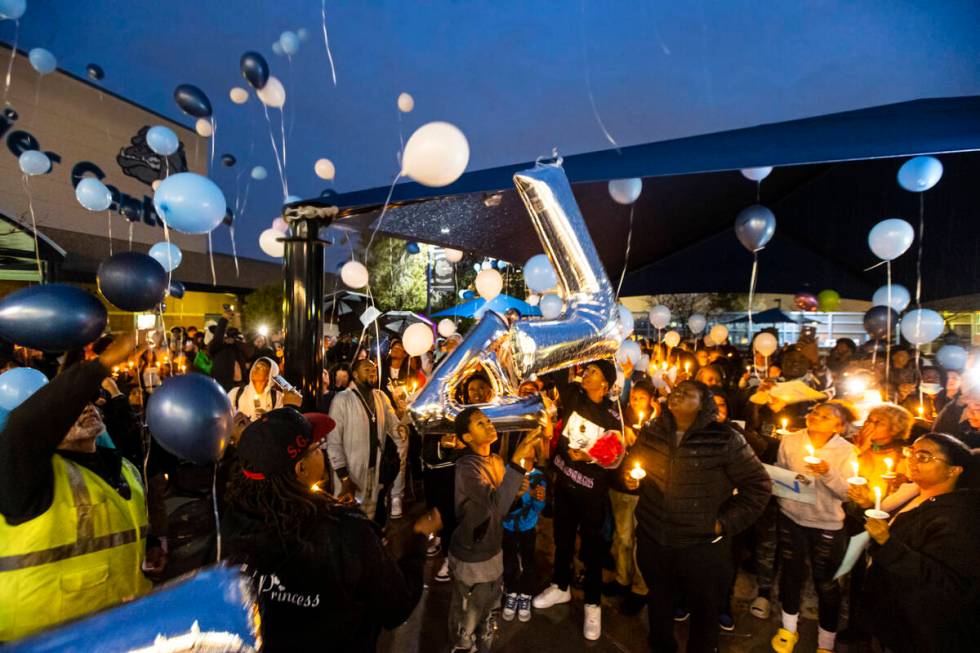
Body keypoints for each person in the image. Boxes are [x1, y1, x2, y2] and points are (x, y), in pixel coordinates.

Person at [222, 407, 442, 652]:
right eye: (318, 447)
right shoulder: (345, 531)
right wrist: (418, 539)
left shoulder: (229, 520)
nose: (323, 452)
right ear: (301, 469)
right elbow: (396, 607)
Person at [0, 334, 154, 642]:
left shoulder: (125, 469)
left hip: (120, 635)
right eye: (66, 407)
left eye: (87, 399)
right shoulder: (25, 480)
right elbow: (25, 428)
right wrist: (99, 366)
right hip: (41, 642)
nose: (82, 406)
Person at [627, 380, 771, 653]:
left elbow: (759, 487)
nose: (677, 393)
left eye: (687, 392)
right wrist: (631, 479)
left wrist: (723, 523)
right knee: (659, 600)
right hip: (654, 538)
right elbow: (634, 463)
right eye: (676, 389)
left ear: (703, 403)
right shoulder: (652, 431)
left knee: (704, 609)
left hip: (701, 546)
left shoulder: (725, 438)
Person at [532, 360, 625, 641]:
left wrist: (590, 457)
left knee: (593, 549)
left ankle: (592, 605)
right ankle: (561, 586)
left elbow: (617, 456)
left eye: (594, 372)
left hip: (592, 493)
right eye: (587, 370)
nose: (586, 374)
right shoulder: (572, 395)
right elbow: (558, 370)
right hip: (564, 485)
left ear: (605, 385)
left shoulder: (613, 414)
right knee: (562, 538)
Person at [862, 433, 980, 653]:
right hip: (891, 618)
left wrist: (887, 543)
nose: (912, 460)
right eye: (911, 453)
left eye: (923, 457)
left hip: (915, 632)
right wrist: (865, 506)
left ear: (953, 470)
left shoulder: (957, 519)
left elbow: (945, 583)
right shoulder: (913, 493)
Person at [447, 408, 540, 652]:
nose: (489, 425)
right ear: (467, 437)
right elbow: (495, 504)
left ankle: (484, 643)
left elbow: (504, 508)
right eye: (480, 423)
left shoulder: (496, 461)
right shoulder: (467, 468)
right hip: (472, 553)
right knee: (468, 613)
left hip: (493, 550)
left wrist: (518, 494)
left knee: (489, 610)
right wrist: (517, 465)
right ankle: (463, 645)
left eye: (488, 420)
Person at [771, 401, 858, 653]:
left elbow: (847, 494)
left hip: (826, 523)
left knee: (827, 583)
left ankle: (825, 642)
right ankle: (788, 629)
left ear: (839, 426)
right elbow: (782, 471)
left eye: (825, 416)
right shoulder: (791, 440)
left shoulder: (846, 451)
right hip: (791, 517)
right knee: (790, 574)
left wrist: (827, 473)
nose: (815, 417)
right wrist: (780, 486)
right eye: (814, 413)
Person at [327, 359, 406, 524]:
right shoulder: (342, 399)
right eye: (367, 369)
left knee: (372, 515)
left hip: (375, 469)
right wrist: (344, 478)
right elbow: (333, 442)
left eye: (374, 369)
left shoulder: (381, 397)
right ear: (355, 375)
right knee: (349, 520)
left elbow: (394, 426)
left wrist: (403, 422)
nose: (372, 372)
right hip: (350, 472)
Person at [604, 379, 655, 615]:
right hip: (619, 489)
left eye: (641, 398)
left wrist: (642, 439)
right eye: (633, 397)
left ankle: (640, 589)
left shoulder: (657, 426)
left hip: (643, 494)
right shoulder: (621, 419)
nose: (636, 402)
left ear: (652, 401)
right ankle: (622, 579)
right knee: (622, 538)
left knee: (639, 544)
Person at [501, 453, 546, 624]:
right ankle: (511, 591)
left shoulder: (539, 478)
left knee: (528, 562)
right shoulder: (507, 472)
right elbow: (503, 502)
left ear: (535, 459)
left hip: (527, 527)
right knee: (509, 561)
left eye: (528, 458)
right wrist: (522, 493)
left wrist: (539, 499)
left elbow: (538, 507)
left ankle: (525, 594)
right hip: (508, 526)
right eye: (521, 457)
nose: (523, 462)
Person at [227, 356, 286, 422]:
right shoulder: (235, 393)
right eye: (255, 366)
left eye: (261, 367)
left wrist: (267, 418)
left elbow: (279, 422)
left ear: (268, 375)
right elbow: (225, 416)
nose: (255, 369)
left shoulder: (276, 397)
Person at [209, 309, 249, 391]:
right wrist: (224, 320)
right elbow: (217, 339)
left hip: (239, 385)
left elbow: (249, 350)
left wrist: (235, 342)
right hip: (223, 386)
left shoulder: (237, 347)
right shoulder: (216, 348)